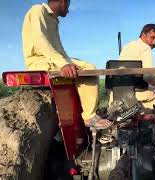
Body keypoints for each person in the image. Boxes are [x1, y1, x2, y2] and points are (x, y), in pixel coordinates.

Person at [21, 0, 111, 129]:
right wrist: (63, 64)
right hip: (38, 60)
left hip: (52, 59)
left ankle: (82, 112)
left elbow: (59, 48)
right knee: (86, 71)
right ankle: (89, 116)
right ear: (62, 2)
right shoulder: (37, 10)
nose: (68, 10)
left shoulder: (54, 20)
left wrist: (68, 63)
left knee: (88, 68)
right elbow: (40, 40)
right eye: (68, 5)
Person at [118, 24, 155, 111]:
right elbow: (148, 75)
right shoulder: (146, 48)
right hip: (138, 94)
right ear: (143, 35)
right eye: (152, 37)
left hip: (120, 92)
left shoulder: (127, 46)